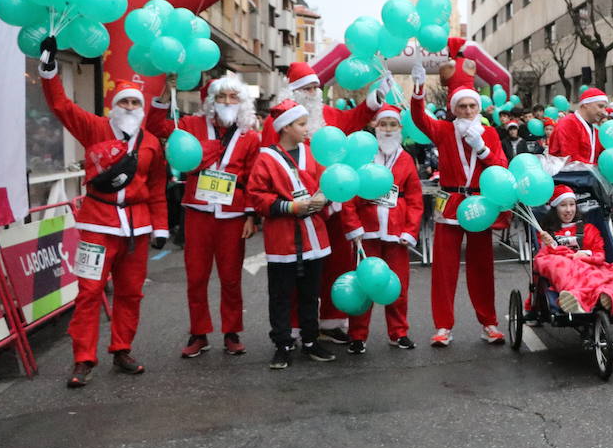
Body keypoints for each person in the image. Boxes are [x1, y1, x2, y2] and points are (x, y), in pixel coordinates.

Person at [40, 46, 167, 388]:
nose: (129, 107)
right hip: (97, 226)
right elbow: (61, 106)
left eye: (134, 103)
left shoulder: (152, 142)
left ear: (141, 108)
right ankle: (83, 358)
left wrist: (161, 228)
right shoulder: (94, 128)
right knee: (89, 291)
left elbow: (156, 187)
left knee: (130, 293)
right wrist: (49, 72)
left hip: (137, 229)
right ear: (114, 105)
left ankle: (122, 348)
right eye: (124, 102)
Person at [145, 74, 260, 358]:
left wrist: (251, 216)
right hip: (197, 211)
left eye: (233, 97)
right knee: (196, 276)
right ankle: (199, 333)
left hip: (232, 214)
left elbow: (253, 177)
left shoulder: (250, 135)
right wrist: (165, 92)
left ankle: (231, 331)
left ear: (242, 101)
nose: (227, 102)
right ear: (211, 101)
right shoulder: (190, 125)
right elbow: (155, 126)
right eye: (221, 97)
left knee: (231, 278)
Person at [248, 100, 355, 369]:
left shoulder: (313, 155)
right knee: (281, 295)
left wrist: (324, 200)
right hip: (282, 239)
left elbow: (329, 186)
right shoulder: (266, 158)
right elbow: (257, 196)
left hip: (314, 237)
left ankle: (310, 340)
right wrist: (291, 206)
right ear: (285, 128)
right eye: (301, 124)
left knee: (311, 293)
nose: (307, 129)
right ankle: (282, 343)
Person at [410, 77, 508, 346]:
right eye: (462, 106)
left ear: (478, 108)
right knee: (444, 268)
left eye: (471, 106)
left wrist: (482, 148)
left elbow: (500, 166)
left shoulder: (489, 134)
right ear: (454, 108)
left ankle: (488, 323)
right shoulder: (443, 130)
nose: (467, 111)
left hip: (480, 204)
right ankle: (443, 326)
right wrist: (418, 90)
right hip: (451, 201)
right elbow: (419, 119)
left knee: (482, 267)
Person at [344, 106, 423, 354]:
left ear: (400, 129)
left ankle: (398, 332)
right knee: (363, 285)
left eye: (392, 124)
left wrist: (410, 231)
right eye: (383, 124)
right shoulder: (362, 157)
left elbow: (414, 199)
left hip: (396, 235)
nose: (387, 129)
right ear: (374, 127)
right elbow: (348, 195)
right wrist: (353, 227)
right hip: (366, 233)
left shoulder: (406, 159)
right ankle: (357, 335)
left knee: (397, 285)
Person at [533, 185, 613, 314]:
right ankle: (575, 298)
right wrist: (547, 244)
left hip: (587, 264)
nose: (568, 210)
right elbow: (542, 257)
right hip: (562, 265)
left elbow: (599, 253)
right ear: (555, 208)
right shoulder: (546, 232)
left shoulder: (588, 229)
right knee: (558, 264)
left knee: (600, 275)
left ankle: (601, 296)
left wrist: (586, 254)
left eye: (572, 205)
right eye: (563, 205)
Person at [548, 86, 608, 164]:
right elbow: (572, 160)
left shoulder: (595, 130)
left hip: (586, 175)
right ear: (586, 104)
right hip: (567, 175)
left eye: (605, 108)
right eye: (600, 106)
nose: (604, 112)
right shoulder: (568, 124)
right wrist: (597, 168)